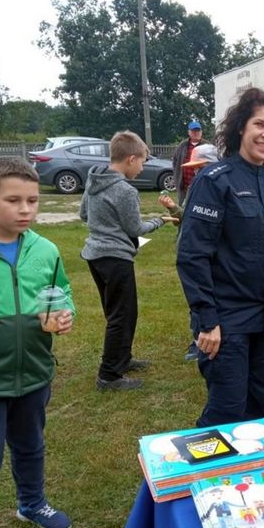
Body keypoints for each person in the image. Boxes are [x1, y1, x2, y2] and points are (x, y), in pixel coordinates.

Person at [176, 87, 264, 427]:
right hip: (227, 321)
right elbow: (192, 255)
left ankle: (251, 478)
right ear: (241, 127)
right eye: (260, 124)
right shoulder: (214, 182)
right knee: (226, 410)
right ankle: (203, 476)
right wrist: (206, 319)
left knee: (259, 408)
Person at [0, 157, 76, 528]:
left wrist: (62, 313)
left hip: (34, 372)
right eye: (13, 200)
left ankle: (31, 503)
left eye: (33, 201)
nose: (25, 210)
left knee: (31, 445)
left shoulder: (47, 249)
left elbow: (60, 292)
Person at [80, 130, 177, 391]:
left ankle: (123, 359)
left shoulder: (93, 179)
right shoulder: (124, 190)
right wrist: (160, 221)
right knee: (121, 316)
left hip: (95, 256)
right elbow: (135, 228)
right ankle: (109, 376)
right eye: (143, 161)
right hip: (115, 259)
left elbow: (83, 214)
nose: (143, 167)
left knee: (119, 313)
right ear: (131, 159)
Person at [159, 143, 219, 363]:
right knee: (195, 299)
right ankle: (198, 338)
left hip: (207, 258)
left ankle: (201, 342)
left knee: (204, 298)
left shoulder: (214, 188)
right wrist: (173, 208)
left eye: (199, 167)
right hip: (190, 253)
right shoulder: (198, 186)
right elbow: (188, 220)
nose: (194, 171)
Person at [171, 120, 210, 204]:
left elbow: (213, 163)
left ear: (201, 132)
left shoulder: (207, 146)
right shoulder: (182, 145)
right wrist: (176, 175)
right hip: (184, 184)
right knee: (182, 208)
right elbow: (175, 160)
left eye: (198, 131)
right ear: (189, 132)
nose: (196, 133)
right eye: (193, 131)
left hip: (201, 185)